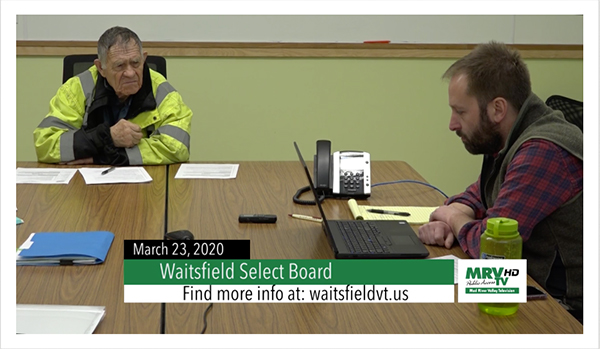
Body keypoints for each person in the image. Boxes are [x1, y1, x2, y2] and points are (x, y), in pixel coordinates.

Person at [418, 41, 583, 322]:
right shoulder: (511, 138)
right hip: (527, 287)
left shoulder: (542, 151)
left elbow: (489, 248)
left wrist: (452, 218)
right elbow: (481, 193)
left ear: (497, 109)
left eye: (461, 112)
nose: (452, 124)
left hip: (563, 312)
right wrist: (459, 209)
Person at [34, 26, 192, 165]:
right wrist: (107, 136)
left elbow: (177, 147)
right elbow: (46, 145)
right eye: (120, 65)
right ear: (100, 68)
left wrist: (103, 157)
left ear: (144, 59)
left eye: (136, 63)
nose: (130, 73)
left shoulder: (163, 92)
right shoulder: (75, 89)